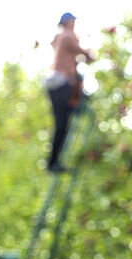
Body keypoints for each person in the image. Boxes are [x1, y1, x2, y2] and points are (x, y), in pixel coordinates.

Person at [44, 12, 93, 173]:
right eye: (72, 21)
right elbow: (81, 51)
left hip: (55, 83)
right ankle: (52, 163)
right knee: (62, 124)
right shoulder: (67, 35)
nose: (74, 24)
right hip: (61, 82)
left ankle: (53, 162)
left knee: (62, 123)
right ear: (67, 22)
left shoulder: (58, 39)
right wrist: (89, 54)